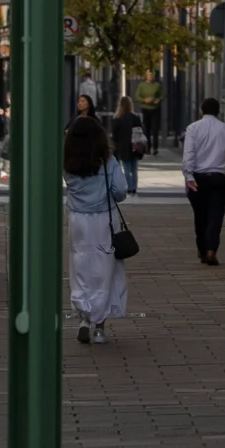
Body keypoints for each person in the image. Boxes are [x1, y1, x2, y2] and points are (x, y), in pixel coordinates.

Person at [64, 115, 128, 344]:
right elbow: (121, 190)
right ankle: (100, 327)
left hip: (78, 220)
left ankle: (83, 317)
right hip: (104, 220)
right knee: (104, 270)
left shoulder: (67, 160)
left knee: (80, 267)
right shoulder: (107, 161)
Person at [181, 97, 225, 264]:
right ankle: (211, 250)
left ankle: (202, 248)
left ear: (201, 111)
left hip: (198, 177)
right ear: (219, 111)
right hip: (218, 178)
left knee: (200, 216)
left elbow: (188, 155)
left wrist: (188, 176)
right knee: (216, 216)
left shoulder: (193, 129)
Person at [109, 94, 142, 196]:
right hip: (135, 145)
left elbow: (115, 136)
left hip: (123, 147)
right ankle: (134, 188)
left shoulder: (117, 119)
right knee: (134, 168)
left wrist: (114, 149)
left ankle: (128, 188)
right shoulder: (135, 117)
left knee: (126, 168)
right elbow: (140, 131)